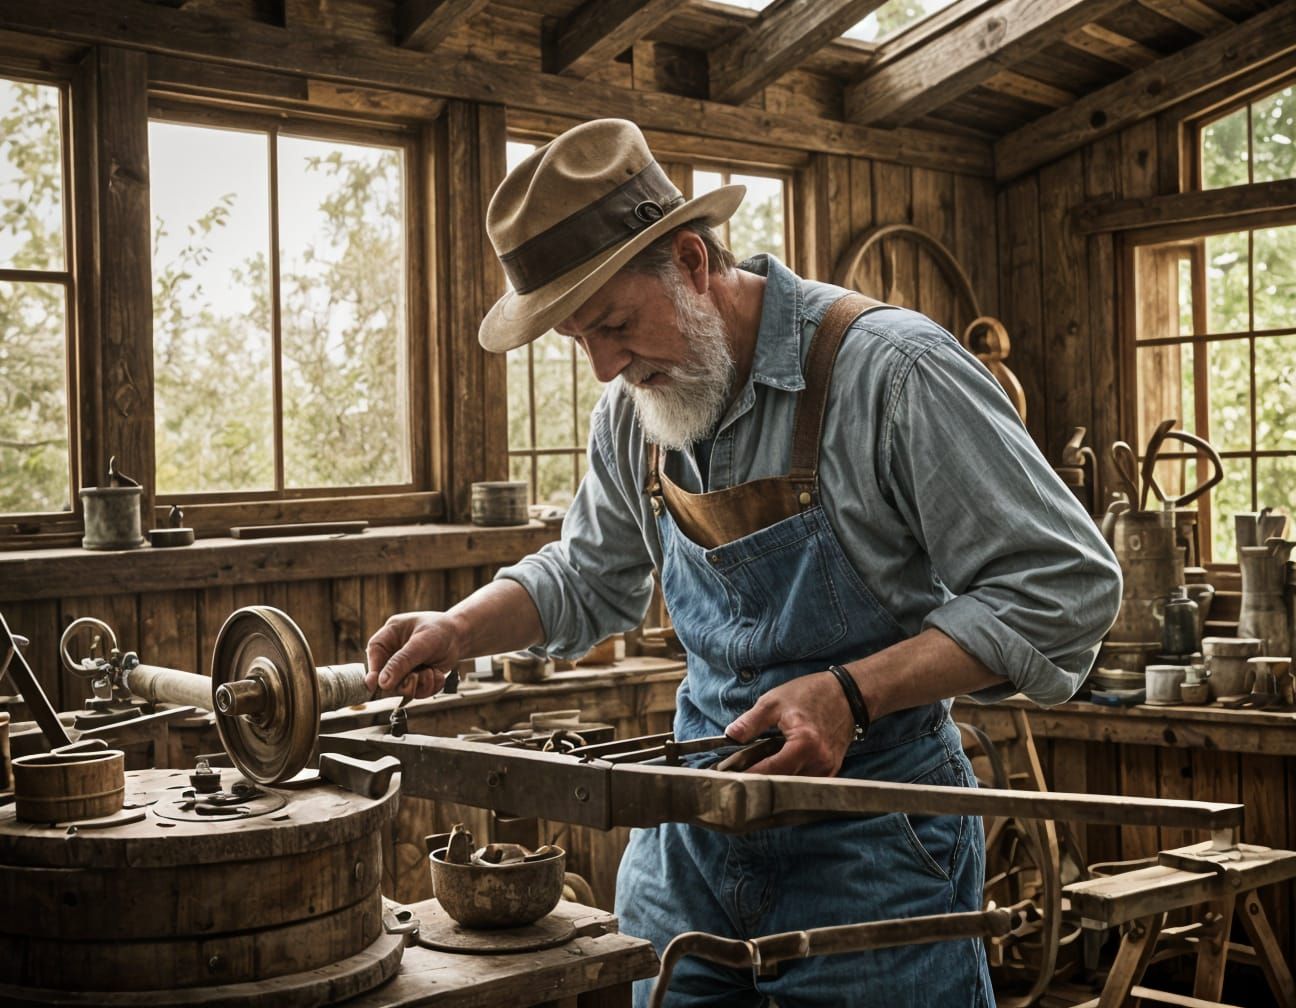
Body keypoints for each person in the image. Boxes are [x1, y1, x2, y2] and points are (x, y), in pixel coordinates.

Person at [366, 118, 1122, 1006]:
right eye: (579, 339)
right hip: (688, 845)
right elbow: (587, 574)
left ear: (690, 262)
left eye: (612, 323)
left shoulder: (893, 372)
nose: (606, 366)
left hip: (874, 842)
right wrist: (460, 627)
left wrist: (849, 694)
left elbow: (1065, 587)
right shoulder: (636, 411)